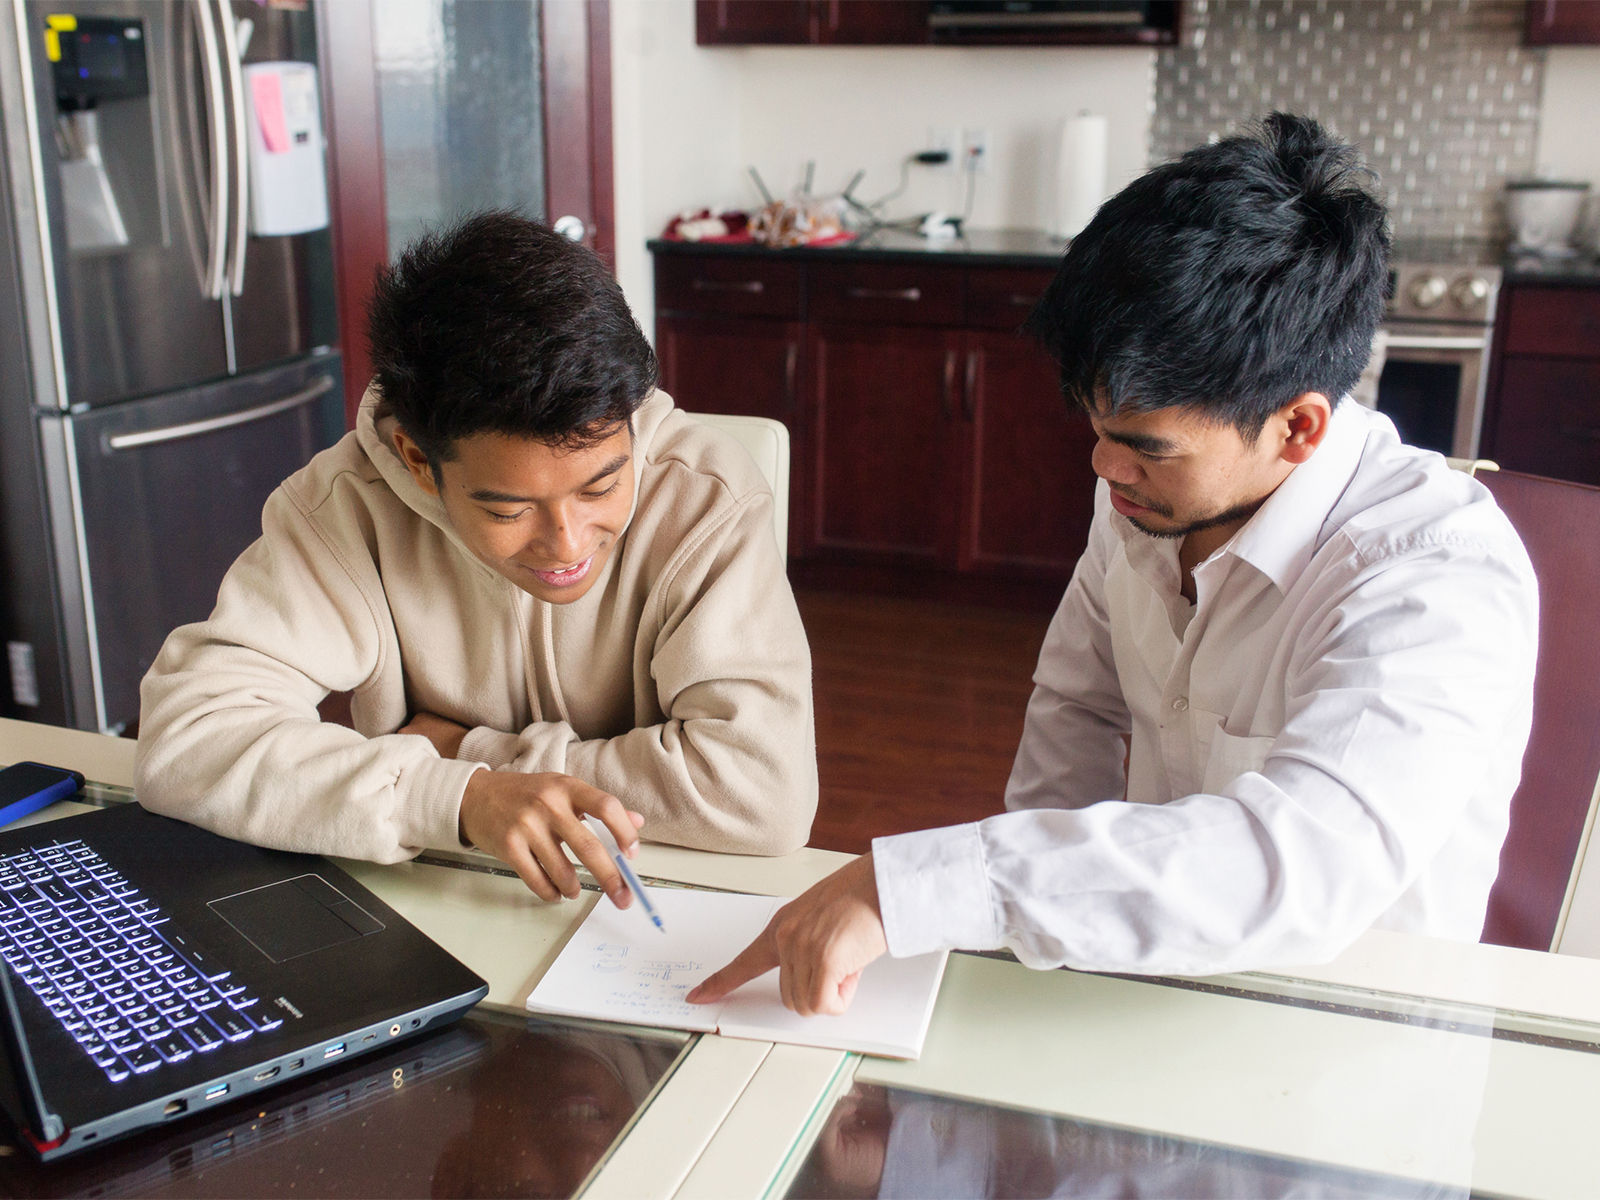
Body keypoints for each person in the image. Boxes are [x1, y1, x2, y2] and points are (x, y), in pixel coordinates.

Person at [690, 113, 1538, 1017]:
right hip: (1142, 983)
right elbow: (1075, 712)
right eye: (1096, 429)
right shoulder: (1151, 496)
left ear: (1299, 427)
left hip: (1342, 1033)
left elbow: (1295, 867)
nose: (1103, 468)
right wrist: (1005, 963)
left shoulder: (1435, 576)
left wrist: (916, 888)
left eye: (1144, 445)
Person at [136, 211, 817, 904]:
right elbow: (185, 739)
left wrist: (470, 755)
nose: (569, 543)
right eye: (508, 509)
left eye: (603, 484)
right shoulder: (345, 508)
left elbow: (765, 791)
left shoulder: (705, 498)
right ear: (417, 461)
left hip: (661, 897)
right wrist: (456, 799)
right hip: (439, 896)